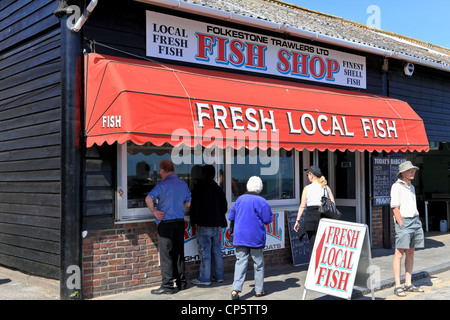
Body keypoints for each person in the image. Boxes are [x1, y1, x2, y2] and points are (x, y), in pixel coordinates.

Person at [145, 160, 191, 295]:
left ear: (163, 171)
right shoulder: (183, 184)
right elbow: (188, 203)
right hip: (179, 222)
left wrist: (155, 211)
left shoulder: (162, 185)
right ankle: (181, 283)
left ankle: (167, 285)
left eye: (160, 171)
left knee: (166, 255)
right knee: (178, 254)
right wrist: (176, 203)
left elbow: (148, 199)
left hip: (166, 224)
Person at [228, 176, 273, 300]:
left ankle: (235, 290)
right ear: (260, 187)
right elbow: (268, 219)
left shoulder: (239, 199)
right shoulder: (262, 201)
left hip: (240, 235)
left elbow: (231, 217)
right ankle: (259, 291)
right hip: (255, 237)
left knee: (240, 262)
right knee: (258, 264)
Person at [390, 160, 425, 297]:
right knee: (399, 254)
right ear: (403, 173)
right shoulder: (396, 186)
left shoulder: (411, 187)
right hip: (404, 222)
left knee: (411, 253)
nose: (413, 172)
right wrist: (401, 224)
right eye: (410, 170)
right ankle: (398, 285)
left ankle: (408, 283)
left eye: (414, 170)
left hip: (415, 221)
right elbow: (394, 207)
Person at [190, 165, 228, 286]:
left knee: (205, 252)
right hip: (217, 225)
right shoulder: (218, 188)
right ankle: (219, 276)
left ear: (203, 174)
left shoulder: (199, 188)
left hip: (204, 224)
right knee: (217, 250)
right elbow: (225, 207)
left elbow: (194, 207)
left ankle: (205, 278)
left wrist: (193, 222)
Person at [294, 166, 335, 253]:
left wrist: (297, 220)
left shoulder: (307, 188)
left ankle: (314, 265)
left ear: (312, 175)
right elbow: (333, 204)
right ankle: (323, 265)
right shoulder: (326, 188)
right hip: (324, 218)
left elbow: (302, 206)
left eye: (308, 175)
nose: (308, 177)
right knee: (324, 245)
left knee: (313, 246)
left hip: (310, 219)